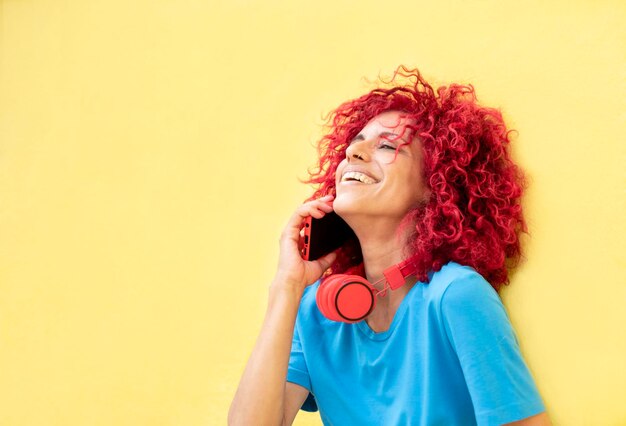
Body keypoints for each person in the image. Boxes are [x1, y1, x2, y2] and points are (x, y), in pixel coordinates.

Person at [228, 67, 550, 425]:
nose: (355, 152)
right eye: (357, 142)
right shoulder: (315, 311)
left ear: (435, 185)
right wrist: (286, 286)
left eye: (386, 145)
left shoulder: (456, 296)